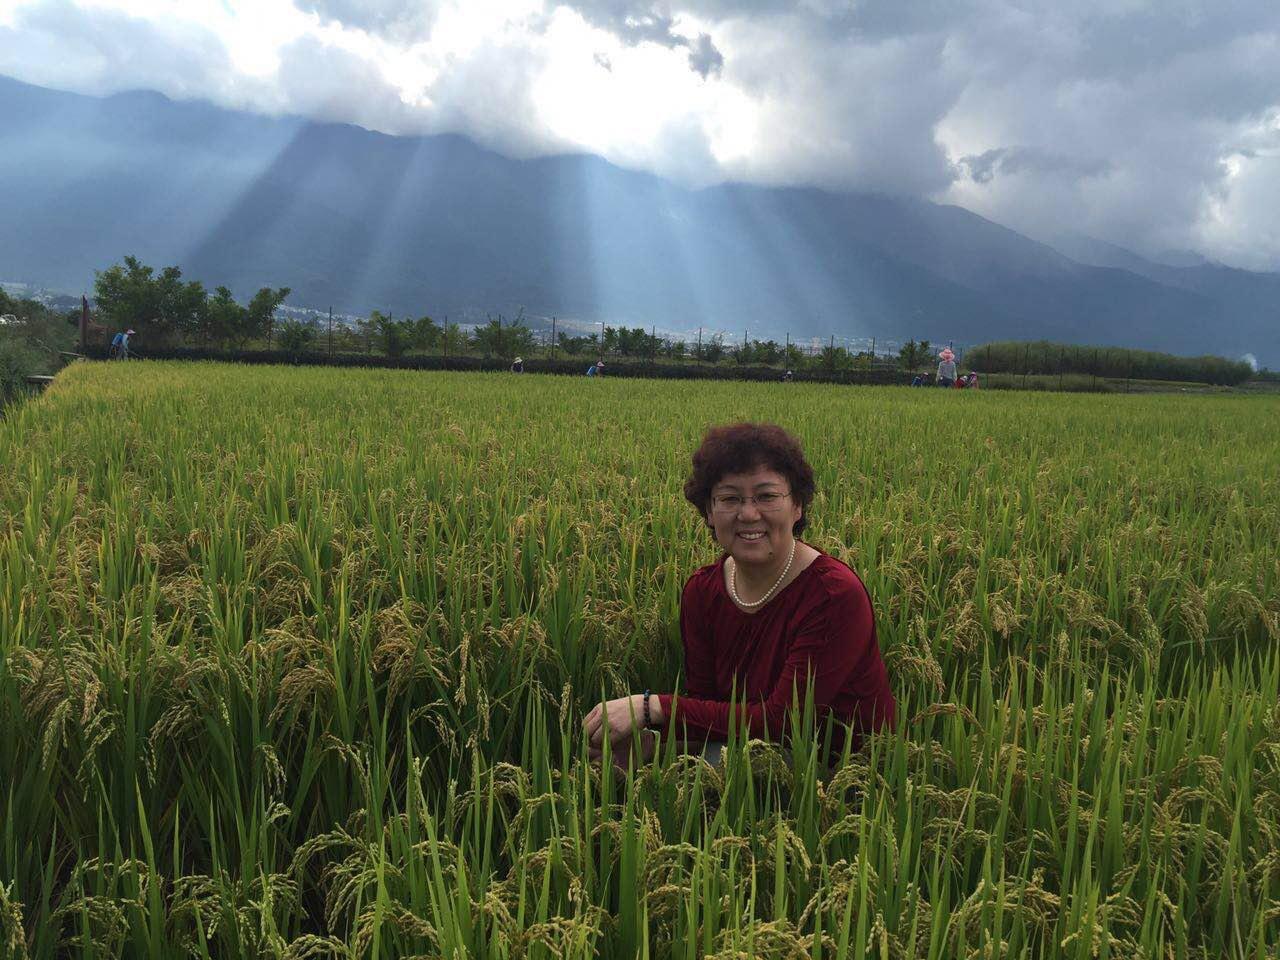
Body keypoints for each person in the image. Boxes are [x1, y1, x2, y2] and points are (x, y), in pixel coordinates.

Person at [583, 422, 895, 769]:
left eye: (767, 496)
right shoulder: (703, 592)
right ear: (709, 512)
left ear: (797, 506)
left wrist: (650, 707)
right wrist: (655, 746)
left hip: (842, 770)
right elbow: (707, 710)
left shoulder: (833, 595)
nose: (748, 514)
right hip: (748, 751)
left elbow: (782, 722)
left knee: (714, 767)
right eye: (730, 499)